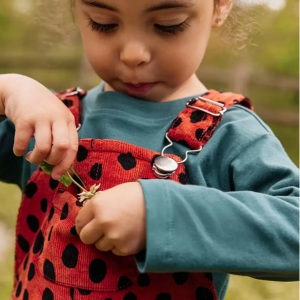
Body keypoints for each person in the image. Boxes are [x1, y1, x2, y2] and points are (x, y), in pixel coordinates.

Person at [0, 0, 298, 299]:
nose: (133, 54)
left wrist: (163, 216)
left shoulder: (228, 134)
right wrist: (9, 90)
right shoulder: (46, 121)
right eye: (103, 23)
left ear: (220, 7)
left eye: (169, 25)